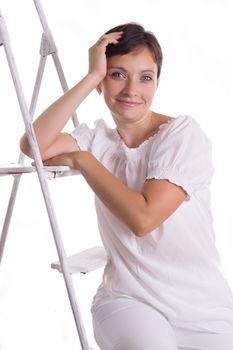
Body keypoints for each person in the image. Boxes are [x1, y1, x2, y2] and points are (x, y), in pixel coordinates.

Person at [20, 22, 233, 350]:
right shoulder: (95, 138)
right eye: (117, 74)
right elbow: (33, 144)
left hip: (203, 307)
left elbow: (143, 219)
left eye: (146, 77)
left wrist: (83, 161)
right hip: (129, 301)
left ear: (157, 82)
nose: (133, 89)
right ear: (102, 80)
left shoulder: (182, 135)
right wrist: (90, 77)